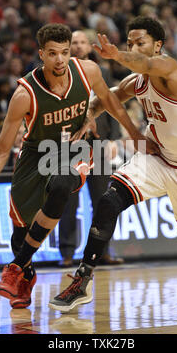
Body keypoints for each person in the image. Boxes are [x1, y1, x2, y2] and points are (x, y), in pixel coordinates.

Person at [49, 16, 177, 313]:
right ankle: (82, 280)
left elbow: (147, 65)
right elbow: (110, 96)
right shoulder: (136, 80)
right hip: (156, 157)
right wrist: (89, 114)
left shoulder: (170, 69)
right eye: (130, 43)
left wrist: (118, 55)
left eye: (141, 43)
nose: (135, 47)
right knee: (108, 202)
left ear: (158, 45)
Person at [0, 23, 157, 310]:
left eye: (64, 52)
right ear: (42, 54)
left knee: (64, 183)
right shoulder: (24, 94)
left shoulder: (88, 71)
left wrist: (136, 134)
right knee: (21, 229)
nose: (60, 60)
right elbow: (1, 150)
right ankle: (26, 274)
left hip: (76, 147)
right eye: (52, 53)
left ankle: (15, 267)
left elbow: (112, 103)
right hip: (36, 154)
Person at [58, 30, 124, 267]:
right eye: (73, 42)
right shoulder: (60, 73)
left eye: (82, 42)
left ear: (89, 46)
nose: (78, 46)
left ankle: (103, 251)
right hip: (71, 144)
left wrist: (114, 138)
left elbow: (112, 103)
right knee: (68, 201)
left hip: (99, 142)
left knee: (103, 201)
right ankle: (66, 253)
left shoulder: (102, 72)